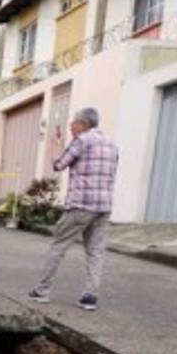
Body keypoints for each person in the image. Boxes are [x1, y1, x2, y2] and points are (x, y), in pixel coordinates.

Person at [28, 107, 119, 311]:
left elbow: (58, 165)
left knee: (58, 246)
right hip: (104, 207)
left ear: (83, 124)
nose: (71, 127)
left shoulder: (82, 141)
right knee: (95, 252)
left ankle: (41, 291)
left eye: (73, 124)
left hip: (81, 205)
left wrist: (55, 146)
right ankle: (90, 296)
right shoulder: (112, 145)